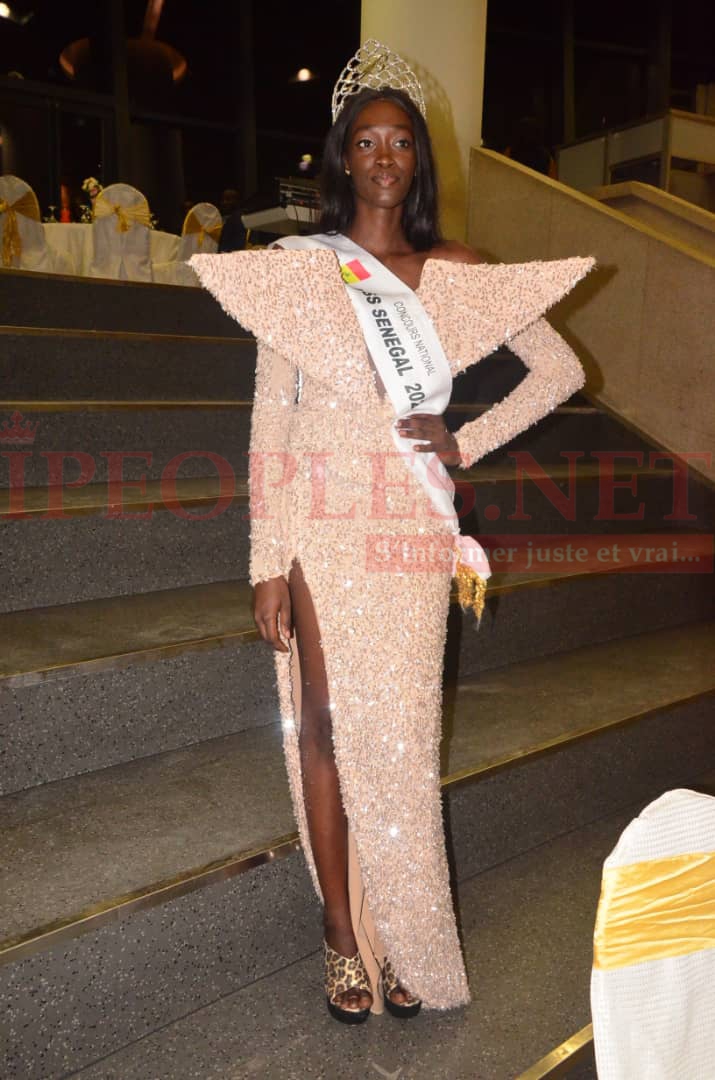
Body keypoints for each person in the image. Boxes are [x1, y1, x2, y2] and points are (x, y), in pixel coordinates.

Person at [190, 40, 593, 1025]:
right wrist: (263, 562)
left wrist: (465, 439)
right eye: (365, 139)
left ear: (418, 159)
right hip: (319, 524)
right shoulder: (301, 273)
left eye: (399, 140)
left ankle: (408, 935)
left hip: (408, 529)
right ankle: (341, 934)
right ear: (342, 156)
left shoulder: (456, 270)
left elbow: (561, 371)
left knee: (404, 736)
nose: (382, 155)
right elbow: (271, 419)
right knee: (326, 724)